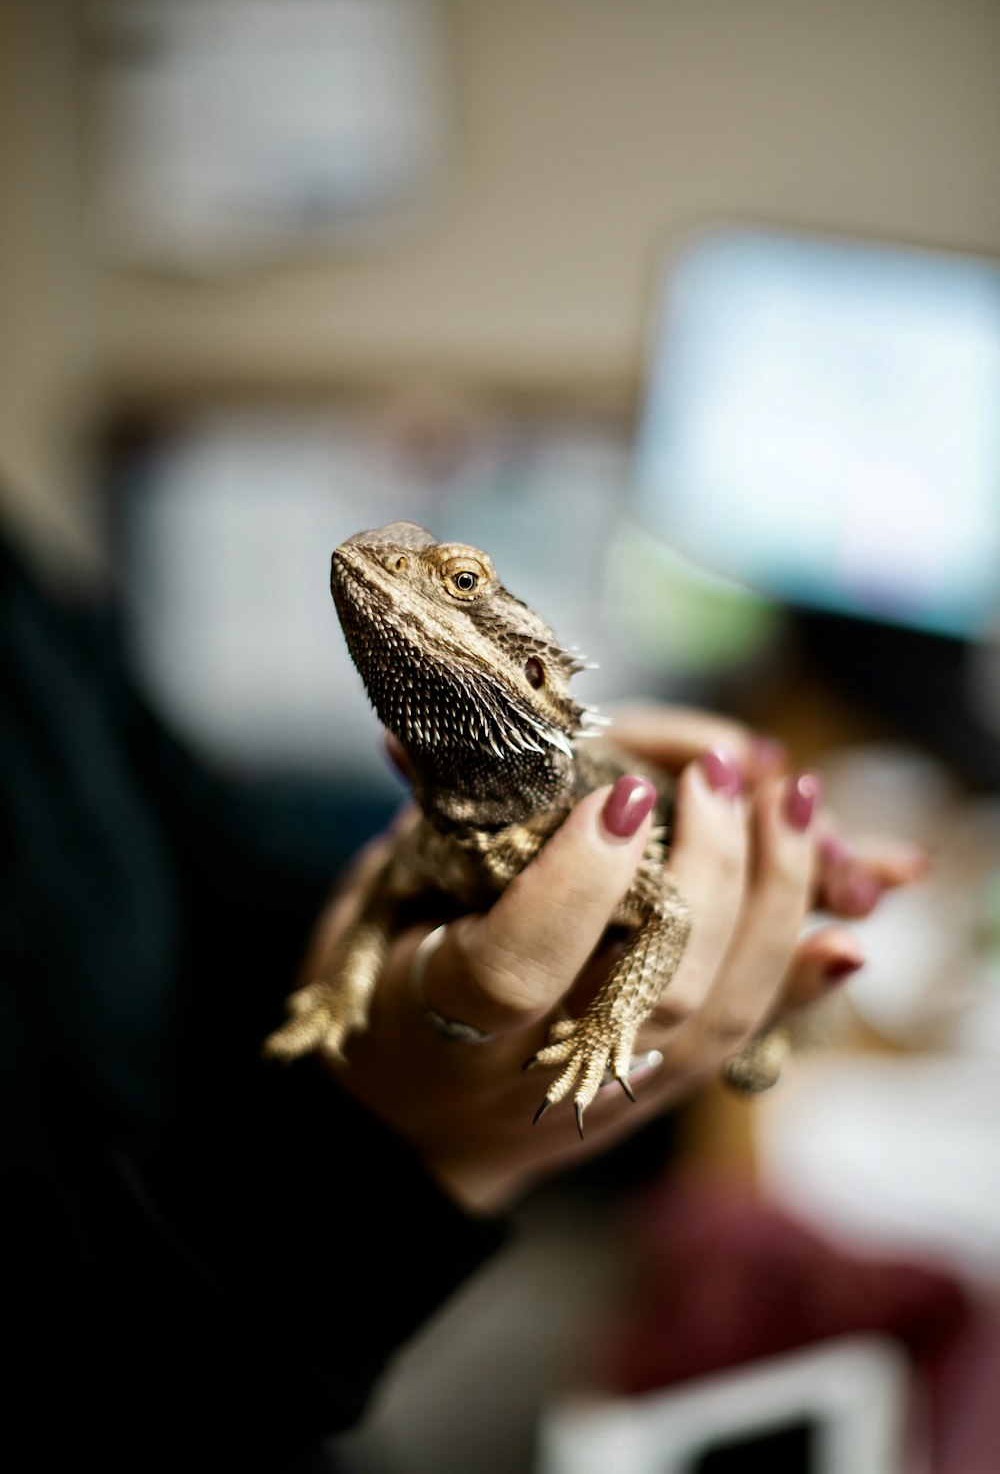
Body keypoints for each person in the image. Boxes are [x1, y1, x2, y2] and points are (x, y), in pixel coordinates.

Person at [0, 531, 924, 1471]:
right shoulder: (434, 853)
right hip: (188, 1386)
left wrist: (588, 1002)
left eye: (460, 583)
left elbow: (213, 850)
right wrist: (359, 1032)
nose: (391, 571)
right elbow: (377, 909)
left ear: (528, 669)